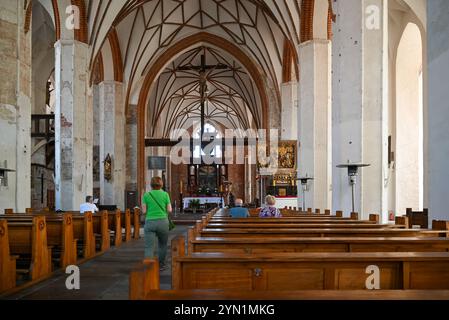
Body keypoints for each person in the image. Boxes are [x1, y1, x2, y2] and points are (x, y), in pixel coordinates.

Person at [142, 176, 172, 271]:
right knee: (162, 245)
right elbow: (170, 210)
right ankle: (161, 265)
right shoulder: (165, 194)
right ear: (161, 184)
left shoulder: (146, 195)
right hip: (163, 222)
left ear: (151, 184)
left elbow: (143, 211)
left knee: (149, 246)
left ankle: (148, 267)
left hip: (150, 222)